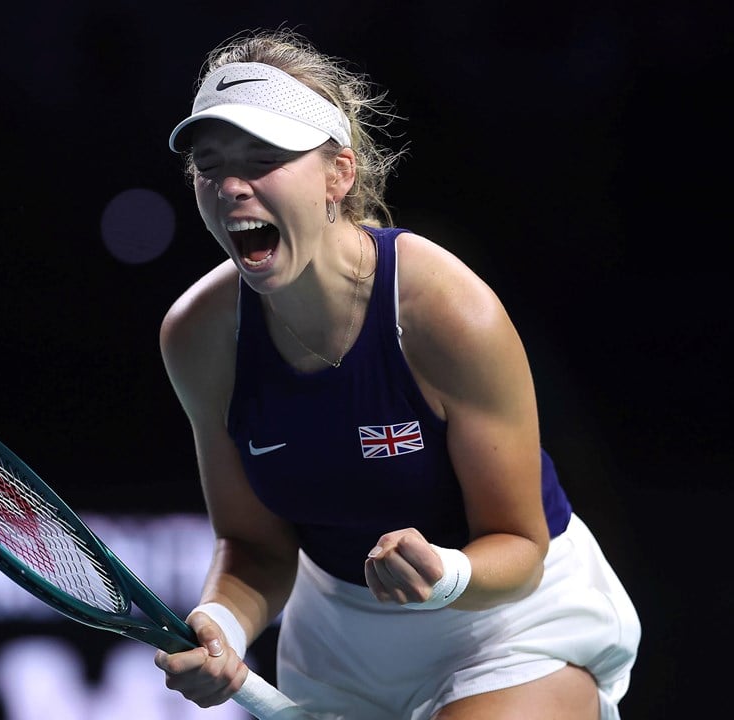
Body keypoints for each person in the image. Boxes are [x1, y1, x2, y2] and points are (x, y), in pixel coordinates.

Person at [153, 28, 640, 720]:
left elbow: (520, 545)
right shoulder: (198, 336)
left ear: (338, 174)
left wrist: (445, 574)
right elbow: (255, 547)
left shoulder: (444, 310)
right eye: (210, 164)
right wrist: (221, 626)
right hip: (340, 654)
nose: (232, 185)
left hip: (505, 625)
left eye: (263, 159)